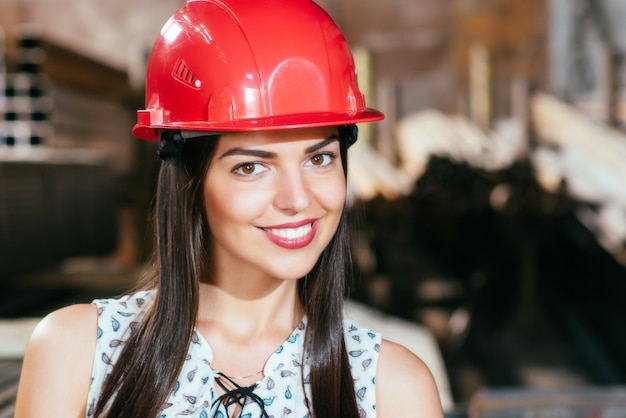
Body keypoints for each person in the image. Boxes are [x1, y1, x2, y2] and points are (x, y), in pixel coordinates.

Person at [15, 0, 444, 417]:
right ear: (191, 180)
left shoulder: (391, 387)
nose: (297, 199)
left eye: (319, 158)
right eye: (252, 167)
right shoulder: (79, 354)